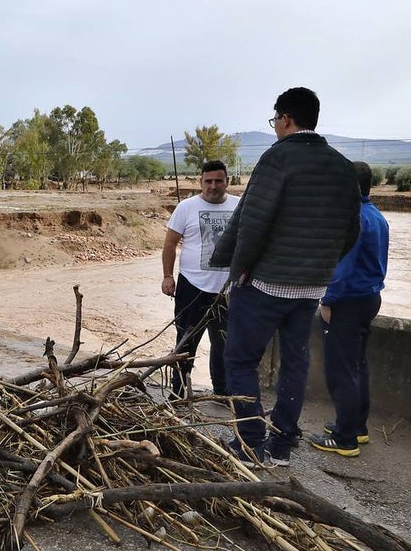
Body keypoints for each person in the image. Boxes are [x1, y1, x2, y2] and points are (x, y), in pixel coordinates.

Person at [210, 87, 360, 467]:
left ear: (286, 118)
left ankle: (251, 440)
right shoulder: (343, 167)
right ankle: (281, 445)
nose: (275, 126)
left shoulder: (278, 158)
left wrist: (238, 271)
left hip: (265, 284)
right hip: (311, 287)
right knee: (296, 361)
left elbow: (253, 222)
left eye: (275, 120)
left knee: (241, 359)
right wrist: (319, 266)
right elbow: (351, 231)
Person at [308, 162, 389, 457]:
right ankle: (356, 427)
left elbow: (342, 269)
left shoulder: (353, 220)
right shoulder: (376, 216)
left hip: (348, 302)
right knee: (357, 366)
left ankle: (344, 439)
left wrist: (327, 301)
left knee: (341, 370)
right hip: (369, 298)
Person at [161, 160, 239, 398]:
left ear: (227, 182)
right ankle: (179, 391)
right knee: (186, 341)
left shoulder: (240, 206)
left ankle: (222, 391)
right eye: (208, 181)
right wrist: (167, 276)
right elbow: (170, 243)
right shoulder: (186, 207)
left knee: (224, 344)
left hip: (228, 290)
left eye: (218, 181)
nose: (213, 186)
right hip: (192, 287)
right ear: (201, 182)